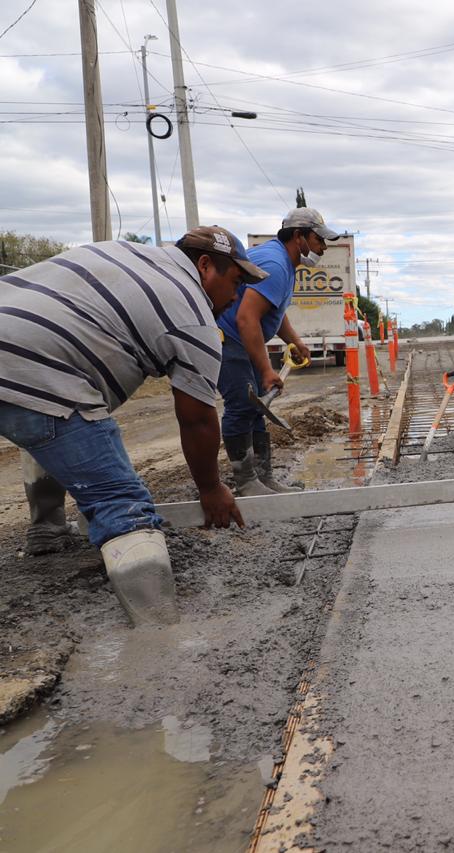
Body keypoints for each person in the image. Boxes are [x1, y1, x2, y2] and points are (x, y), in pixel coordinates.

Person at [0, 226, 259, 624]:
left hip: (16, 350)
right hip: (29, 366)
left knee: (46, 421)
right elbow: (196, 420)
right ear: (206, 266)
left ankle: (47, 532)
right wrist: (211, 488)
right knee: (120, 500)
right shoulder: (193, 316)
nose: (235, 296)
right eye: (235, 281)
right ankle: (159, 637)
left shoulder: (125, 253)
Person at [216, 207, 341, 496]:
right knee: (241, 406)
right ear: (299, 237)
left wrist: (294, 341)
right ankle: (247, 483)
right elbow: (246, 318)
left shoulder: (283, 262)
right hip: (228, 339)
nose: (323, 248)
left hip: (237, 338)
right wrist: (266, 370)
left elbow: (273, 309)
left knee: (256, 408)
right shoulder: (275, 264)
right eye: (319, 240)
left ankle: (264, 479)